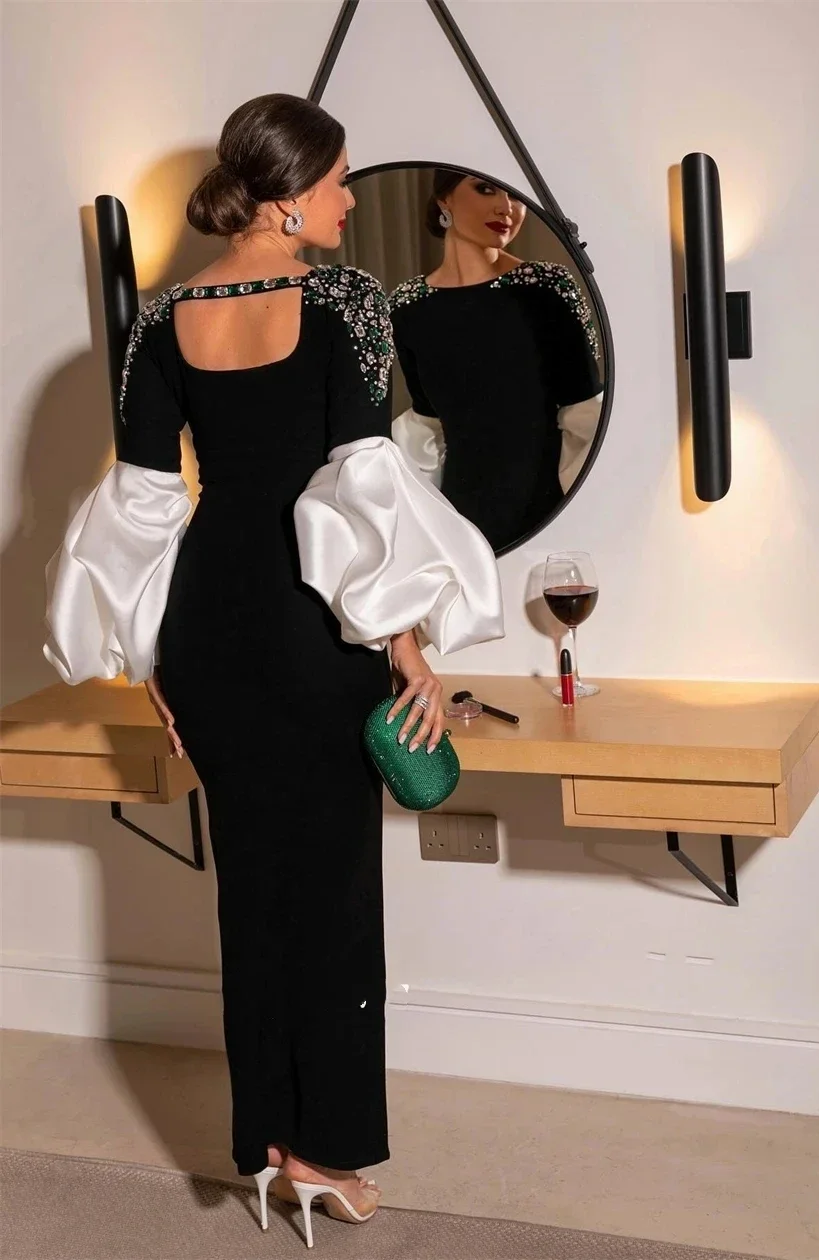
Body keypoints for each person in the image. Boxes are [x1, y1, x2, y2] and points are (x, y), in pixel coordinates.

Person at [41, 95, 503, 1244]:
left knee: (250, 895)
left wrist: (150, 655)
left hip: (206, 628)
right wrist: (409, 650)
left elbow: (144, 505)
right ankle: (326, 1157)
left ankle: (267, 1150)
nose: (350, 198)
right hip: (307, 632)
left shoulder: (162, 320)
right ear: (289, 193)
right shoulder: (344, 303)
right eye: (340, 179)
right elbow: (357, 488)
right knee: (333, 898)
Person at [389, 169, 603, 552]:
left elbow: (585, 415)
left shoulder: (546, 288)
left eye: (515, 195)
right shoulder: (406, 307)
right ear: (444, 198)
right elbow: (426, 426)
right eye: (485, 189)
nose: (506, 208)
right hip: (459, 521)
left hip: (547, 514)